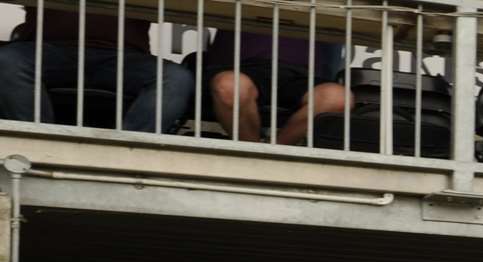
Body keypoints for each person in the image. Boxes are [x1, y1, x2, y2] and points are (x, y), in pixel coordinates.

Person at [0, 10, 193, 133]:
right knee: (9, 60)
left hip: (124, 57)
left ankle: (128, 152)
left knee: (175, 77)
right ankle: (40, 143)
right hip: (48, 49)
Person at [201, 30, 349, 145]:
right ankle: (249, 151)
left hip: (304, 73)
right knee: (229, 86)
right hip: (241, 66)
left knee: (337, 98)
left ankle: (275, 152)